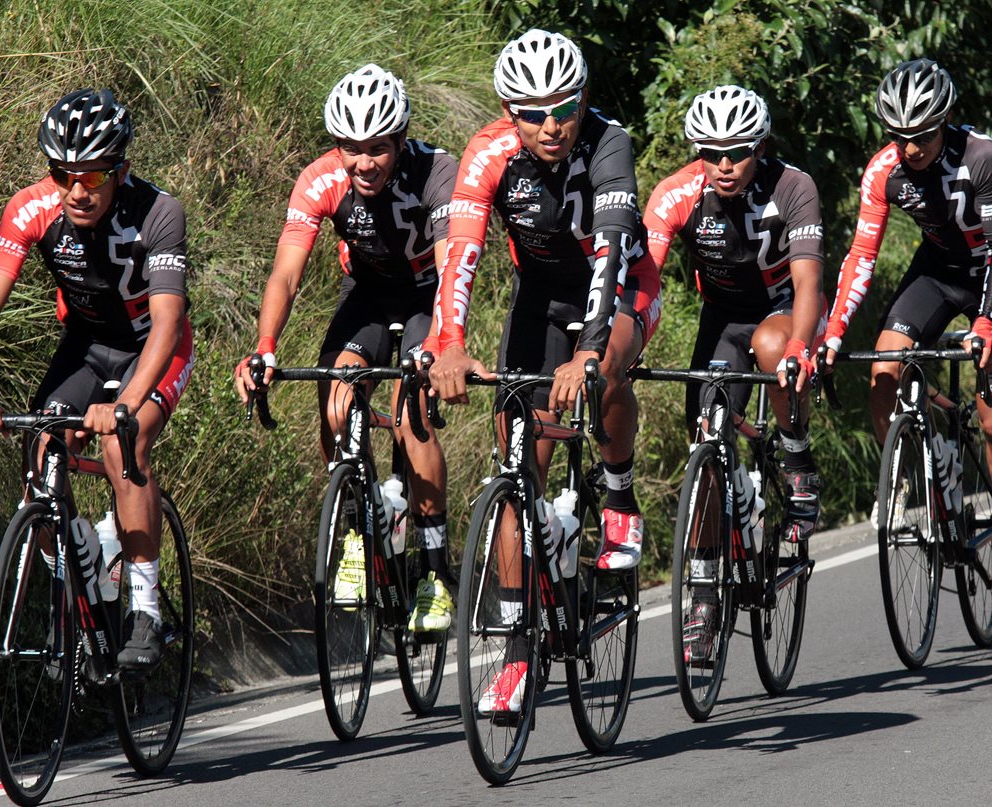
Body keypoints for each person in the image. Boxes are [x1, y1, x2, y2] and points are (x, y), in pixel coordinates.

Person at [426, 29, 661, 712]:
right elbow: (462, 254)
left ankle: (617, 496)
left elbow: (614, 252)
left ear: (582, 100)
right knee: (515, 455)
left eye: (563, 108)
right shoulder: (489, 152)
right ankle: (517, 648)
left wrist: (590, 348)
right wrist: (449, 341)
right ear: (509, 111)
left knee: (606, 368)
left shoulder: (608, 142)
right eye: (532, 113)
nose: (551, 126)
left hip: (618, 289)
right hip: (539, 295)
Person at [0, 88, 195, 670]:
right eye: (63, 174)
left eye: (92, 176)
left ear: (122, 170)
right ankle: (79, 588)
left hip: (151, 346)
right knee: (40, 447)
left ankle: (144, 607)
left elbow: (167, 324)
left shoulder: (159, 213)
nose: (76, 191)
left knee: (124, 442)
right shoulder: (31, 208)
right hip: (87, 345)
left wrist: (127, 405)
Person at [234, 64, 456, 631]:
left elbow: (456, 263)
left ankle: (434, 570)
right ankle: (359, 533)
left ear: (401, 139)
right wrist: (265, 345)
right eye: (350, 148)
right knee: (337, 396)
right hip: (368, 296)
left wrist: (442, 340)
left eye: (378, 148)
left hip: (428, 295)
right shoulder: (321, 179)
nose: (363, 162)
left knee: (412, 416)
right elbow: (286, 274)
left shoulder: (437, 174)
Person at [823, 58, 992, 596]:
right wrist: (834, 331)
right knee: (884, 370)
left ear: (947, 119)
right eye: (899, 136)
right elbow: (861, 257)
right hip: (938, 271)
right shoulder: (883, 171)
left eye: (923, 134)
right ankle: (906, 472)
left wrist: (986, 321)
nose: (911, 147)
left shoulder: (983, 157)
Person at [643, 85, 826, 664]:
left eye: (738, 152)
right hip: (723, 316)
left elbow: (807, 285)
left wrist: (801, 346)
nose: (725, 165)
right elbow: (641, 277)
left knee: (775, 346)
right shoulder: (677, 193)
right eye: (712, 152)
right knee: (706, 438)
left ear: (760, 148)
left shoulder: (793, 187)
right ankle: (703, 593)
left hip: (783, 308)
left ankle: (795, 456)